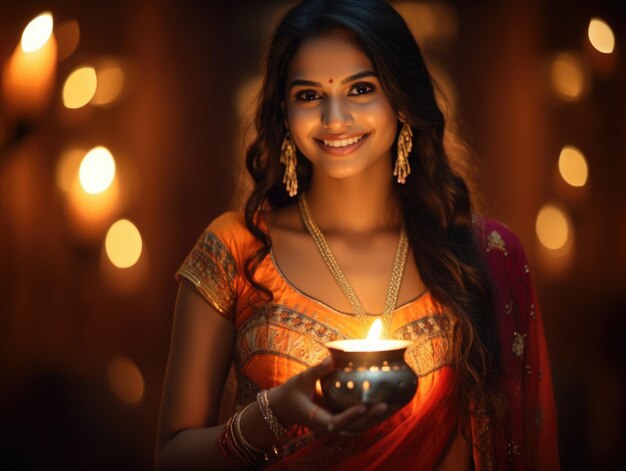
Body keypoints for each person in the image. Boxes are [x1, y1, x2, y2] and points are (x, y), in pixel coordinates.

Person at [155, 0, 560, 469]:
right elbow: (171, 457)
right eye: (309, 95)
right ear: (283, 112)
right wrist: (279, 410)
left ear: (402, 101)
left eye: (361, 89)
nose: (334, 118)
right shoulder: (237, 249)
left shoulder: (480, 257)